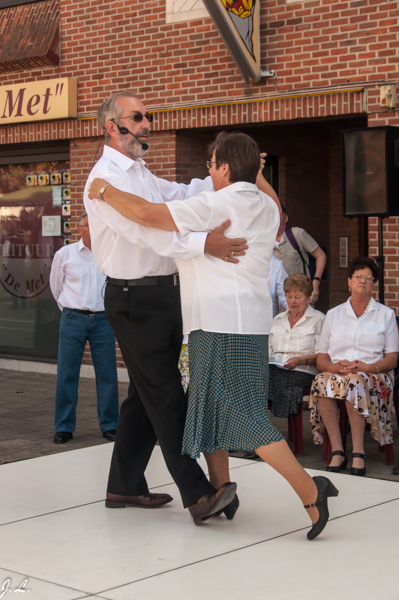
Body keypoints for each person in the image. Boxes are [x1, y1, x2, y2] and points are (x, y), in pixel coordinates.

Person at [88, 131, 339, 541]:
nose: (208, 172)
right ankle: (220, 490)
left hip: (224, 325)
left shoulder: (217, 204)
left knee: (247, 421)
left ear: (224, 168)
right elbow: (274, 202)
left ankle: (313, 491)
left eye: (211, 165)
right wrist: (258, 174)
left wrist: (104, 191)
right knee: (205, 410)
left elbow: (150, 216)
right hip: (231, 325)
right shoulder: (266, 206)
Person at [83, 90, 250, 524]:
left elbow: (178, 195)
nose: (146, 124)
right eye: (137, 117)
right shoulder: (103, 179)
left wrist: (225, 183)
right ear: (111, 124)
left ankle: (123, 486)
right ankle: (197, 495)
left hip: (159, 296)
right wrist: (204, 244)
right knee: (165, 395)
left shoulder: (139, 171)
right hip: (134, 298)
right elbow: (146, 231)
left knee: (144, 395)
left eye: (148, 117)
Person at [310, 257, 398, 476]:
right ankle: (338, 450)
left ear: (373, 284)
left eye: (368, 278)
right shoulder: (334, 314)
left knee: (355, 382)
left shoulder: (385, 315)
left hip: (374, 374)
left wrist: (368, 368)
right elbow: (322, 359)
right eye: (358, 276)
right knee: (321, 380)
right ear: (349, 281)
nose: (363, 281)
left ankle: (358, 451)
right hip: (338, 373)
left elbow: (392, 359)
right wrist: (334, 367)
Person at [49, 211, 119, 444]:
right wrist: (70, 311)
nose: (94, 228)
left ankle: (110, 424)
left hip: (103, 321)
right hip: (73, 319)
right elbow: (56, 288)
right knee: (67, 374)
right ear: (80, 228)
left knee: (108, 374)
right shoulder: (65, 254)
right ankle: (64, 427)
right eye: (88, 225)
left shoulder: (109, 254)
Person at [268, 274, 325, 418]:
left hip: (304, 371)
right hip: (276, 369)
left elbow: (323, 355)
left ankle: (272, 425)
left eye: (298, 297)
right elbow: (268, 350)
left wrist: (300, 360)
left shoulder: (319, 319)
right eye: (289, 296)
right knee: (255, 379)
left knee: (275, 382)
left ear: (308, 297)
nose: (292, 301)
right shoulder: (277, 319)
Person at [273, 204, 326, 305]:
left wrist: (316, 281)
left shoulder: (297, 234)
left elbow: (321, 256)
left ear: (286, 218)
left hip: (301, 297)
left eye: (279, 214)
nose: (275, 217)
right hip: (277, 301)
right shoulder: (263, 241)